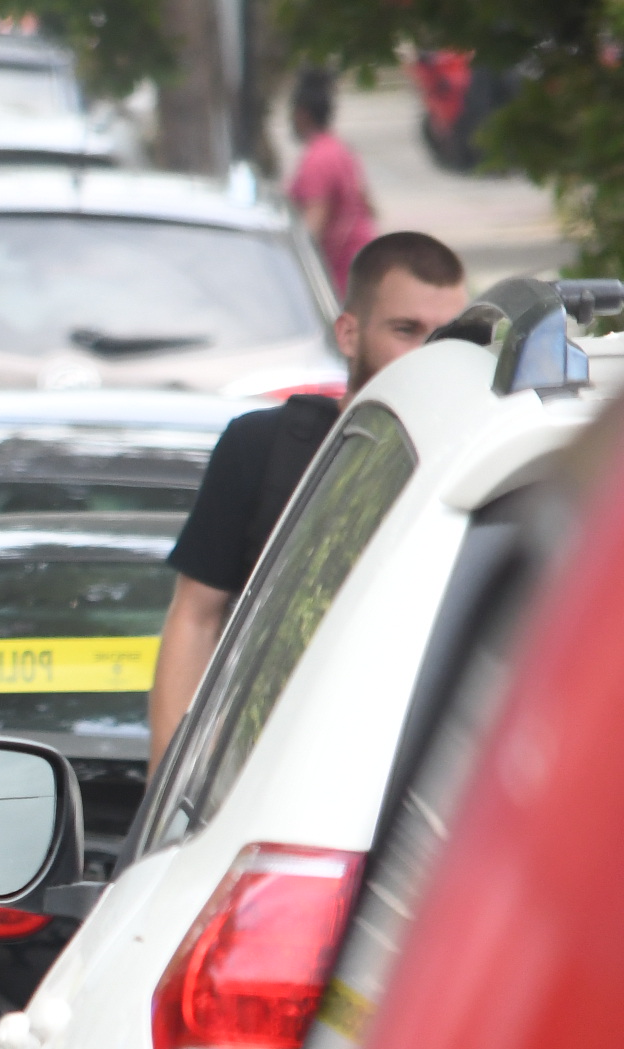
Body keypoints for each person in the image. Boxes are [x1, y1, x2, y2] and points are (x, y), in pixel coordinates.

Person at [146, 231, 467, 766]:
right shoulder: (263, 448)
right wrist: (165, 785)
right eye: (406, 330)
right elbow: (195, 619)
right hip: (262, 775)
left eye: (450, 336)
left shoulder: (485, 459)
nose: (429, 354)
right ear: (349, 334)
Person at [286, 69, 378, 301]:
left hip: (340, 272)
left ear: (302, 114)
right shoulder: (340, 149)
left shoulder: (316, 159)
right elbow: (368, 205)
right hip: (364, 261)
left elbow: (314, 220)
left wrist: (291, 262)